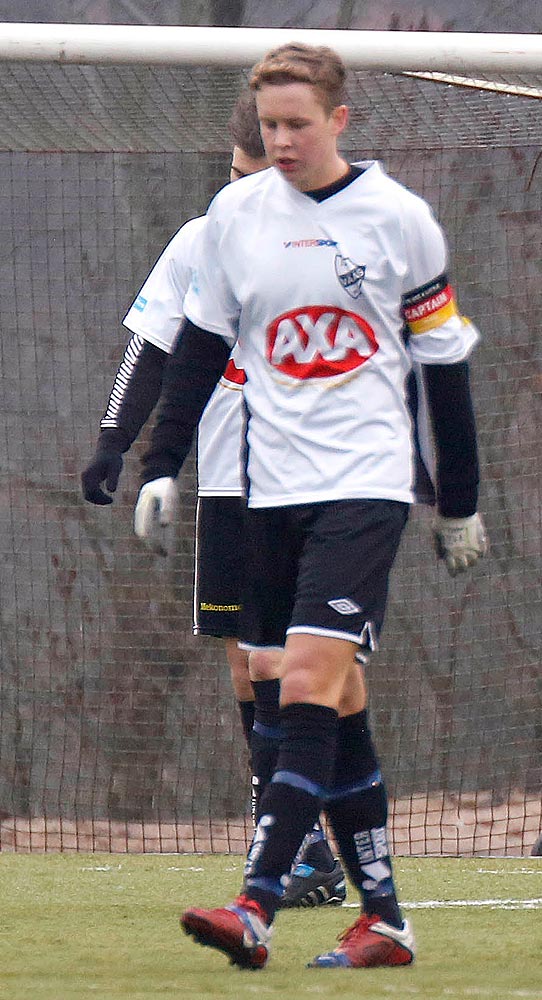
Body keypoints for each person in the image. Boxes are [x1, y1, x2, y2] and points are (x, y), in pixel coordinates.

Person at [136, 42, 487, 969]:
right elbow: (200, 351)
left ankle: (254, 905)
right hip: (268, 486)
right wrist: (161, 463)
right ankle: (386, 920)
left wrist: (459, 500)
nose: (280, 140)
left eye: (297, 124)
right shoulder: (234, 219)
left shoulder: (399, 222)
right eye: (268, 126)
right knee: (340, 702)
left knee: (297, 682)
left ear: (339, 121)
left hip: (367, 484)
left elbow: (445, 371)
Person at [80, 87, 347, 909]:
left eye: (251, 175)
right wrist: (114, 445)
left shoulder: (341, 241)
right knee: (244, 654)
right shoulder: (205, 237)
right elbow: (152, 346)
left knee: (301, 657)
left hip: (317, 482)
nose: (233, 191)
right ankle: (288, 826)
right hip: (230, 483)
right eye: (230, 172)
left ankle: (303, 830)